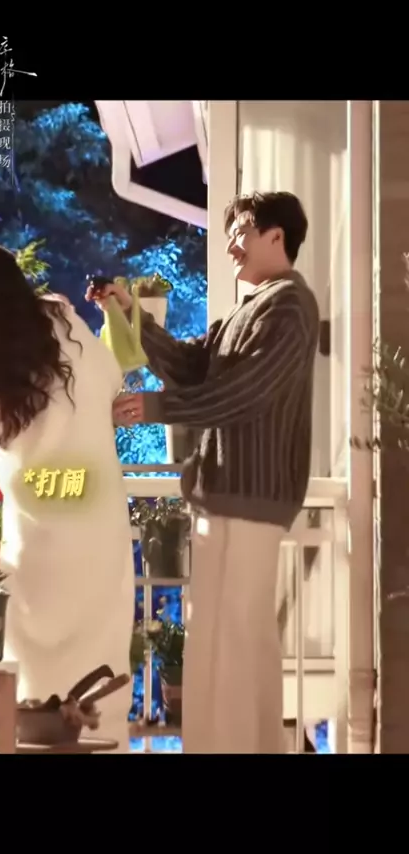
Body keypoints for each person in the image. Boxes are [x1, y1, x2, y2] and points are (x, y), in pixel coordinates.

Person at [87, 191, 320, 754]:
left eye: (241, 231)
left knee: (232, 641)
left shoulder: (289, 307)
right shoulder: (252, 307)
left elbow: (244, 393)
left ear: (276, 236)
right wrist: (131, 313)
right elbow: (194, 365)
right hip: (227, 496)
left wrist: (157, 407)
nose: (231, 244)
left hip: (250, 496)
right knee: (229, 639)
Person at [0, 242, 134, 752]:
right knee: (101, 655)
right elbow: (112, 378)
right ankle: (102, 737)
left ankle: (34, 736)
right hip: (97, 514)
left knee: (36, 670)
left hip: (38, 524)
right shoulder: (63, 321)